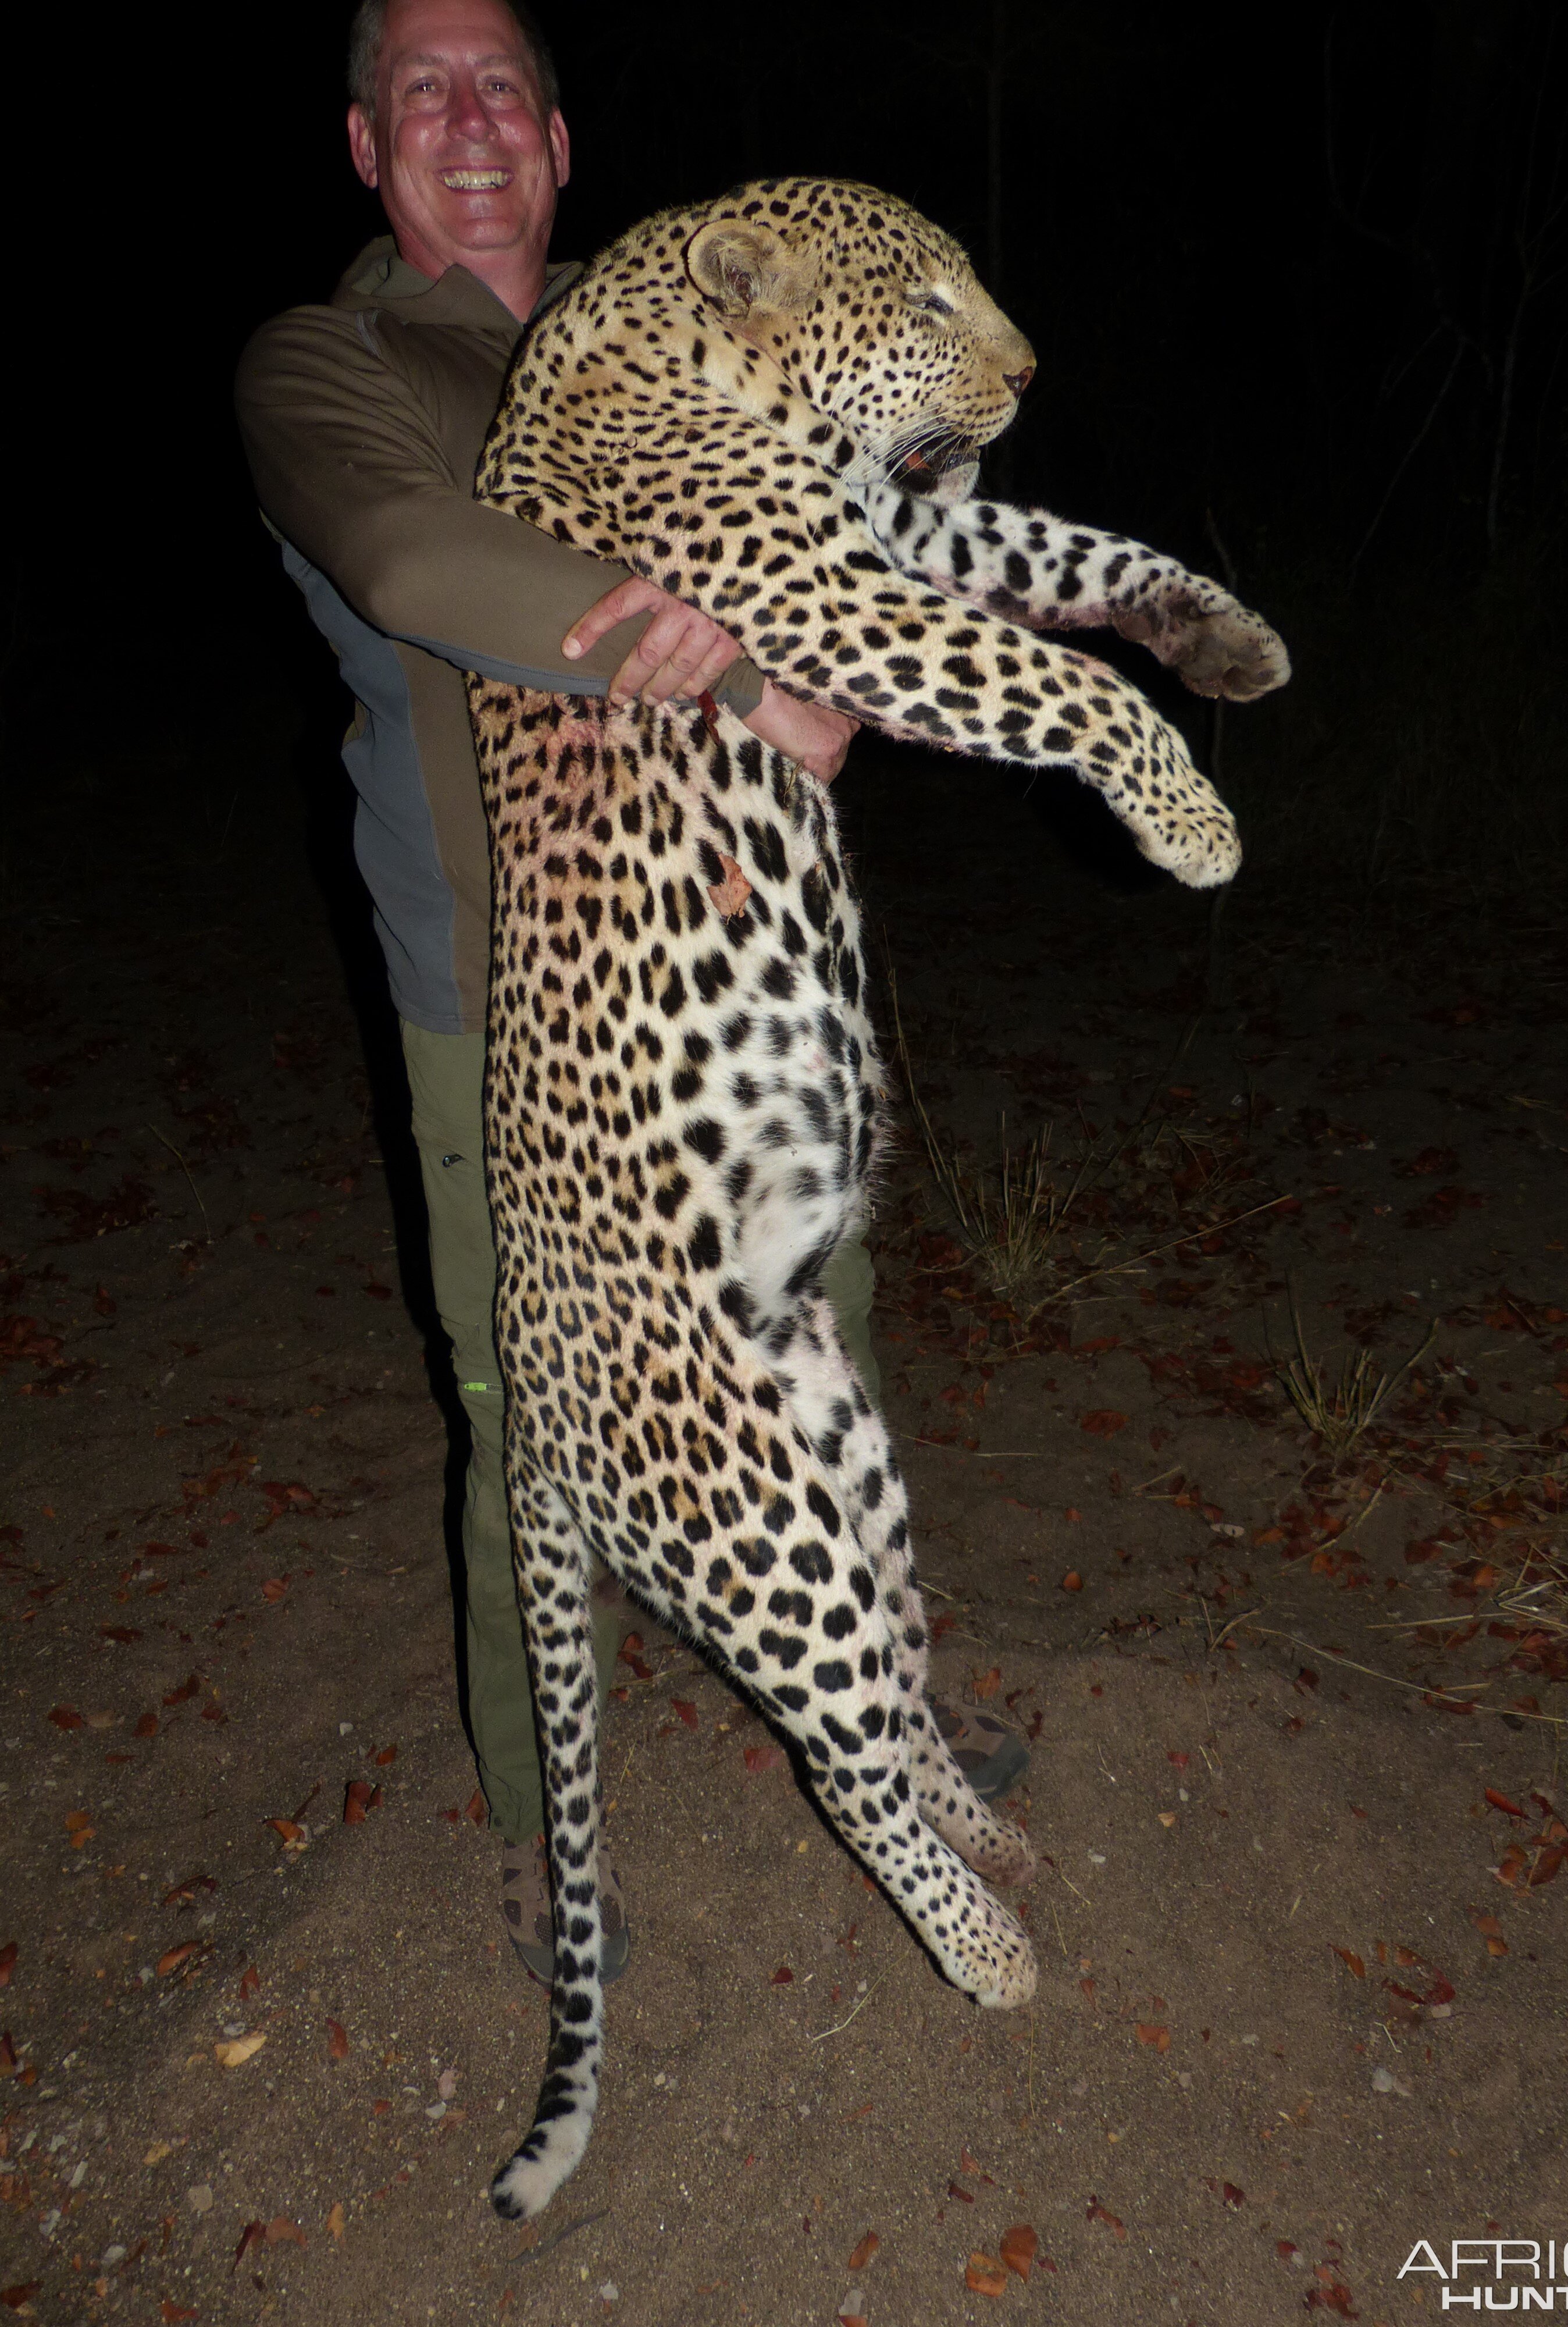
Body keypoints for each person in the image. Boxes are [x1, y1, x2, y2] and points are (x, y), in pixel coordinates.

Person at [236, 0, 1028, 1988]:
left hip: (745, 957)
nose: (471, 122)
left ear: (567, 137)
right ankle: (537, 1826)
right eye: (423, 90)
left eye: (503, 82)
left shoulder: (710, 307)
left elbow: (885, 493)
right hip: (507, 993)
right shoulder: (322, 364)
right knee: (537, 1421)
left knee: (815, 1349)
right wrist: (735, 665)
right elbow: (416, 557)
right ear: (365, 148)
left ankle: (884, 1732)